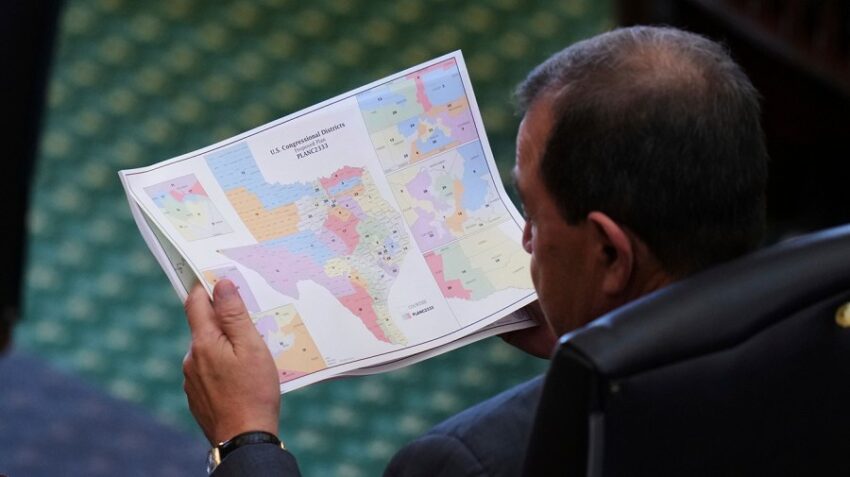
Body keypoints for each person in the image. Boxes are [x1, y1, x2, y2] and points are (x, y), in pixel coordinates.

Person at [182, 25, 768, 476]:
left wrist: (244, 439)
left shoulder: (469, 464)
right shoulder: (816, 318)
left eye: (533, 215)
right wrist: (588, 334)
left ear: (611, 256)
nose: (525, 240)